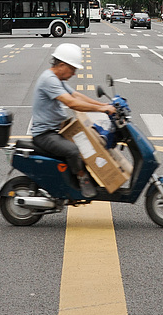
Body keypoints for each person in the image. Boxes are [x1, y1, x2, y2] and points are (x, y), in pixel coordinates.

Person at [30, 43, 117, 199]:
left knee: (90, 143)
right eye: (73, 69)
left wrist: (104, 105)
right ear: (62, 65)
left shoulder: (57, 79)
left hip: (57, 130)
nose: (74, 74)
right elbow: (72, 103)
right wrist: (102, 110)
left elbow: (77, 96)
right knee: (73, 150)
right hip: (45, 135)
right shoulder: (48, 80)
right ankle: (82, 180)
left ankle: (83, 180)